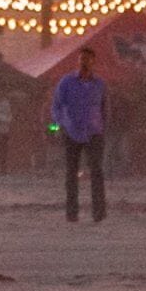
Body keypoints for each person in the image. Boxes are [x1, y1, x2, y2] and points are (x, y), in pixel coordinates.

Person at [52, 49, 109, 223]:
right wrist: (60, 124)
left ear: (93, 62)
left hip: (94, 132)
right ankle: (72, 213)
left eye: (87, 59)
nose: (84, 62)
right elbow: (57, 105)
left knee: (97, 172)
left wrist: (103, 125)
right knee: (71, 173)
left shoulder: (99, 84)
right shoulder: (67, 82)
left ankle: (98, 213)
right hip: (72, 131)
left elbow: (105, 106)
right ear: (77, 62)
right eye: (81, 59)